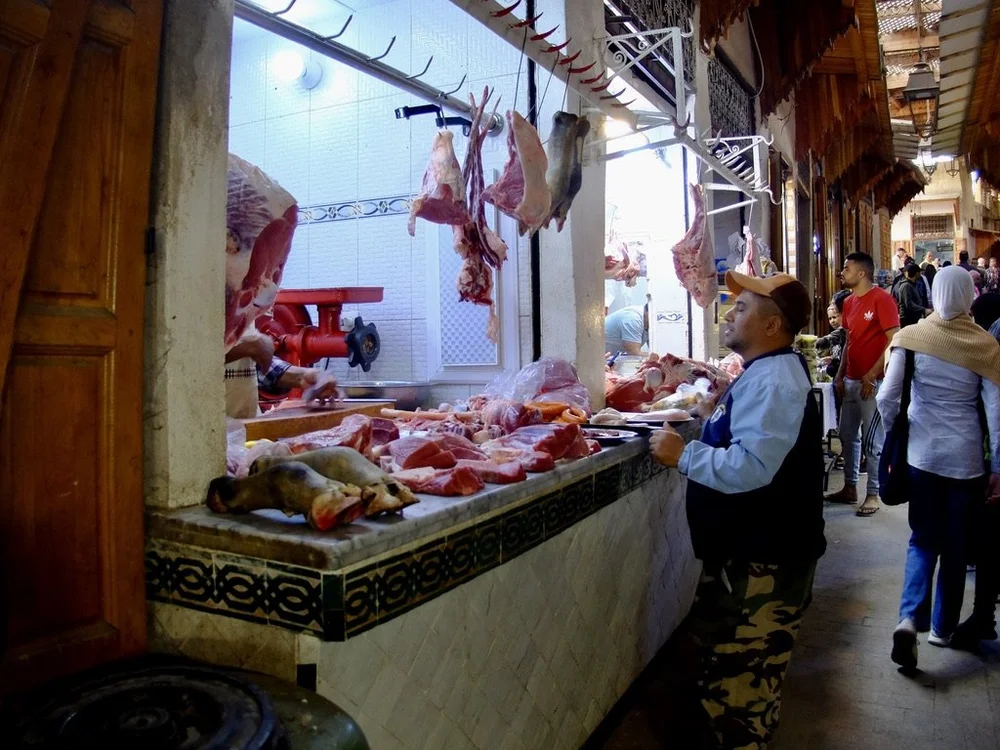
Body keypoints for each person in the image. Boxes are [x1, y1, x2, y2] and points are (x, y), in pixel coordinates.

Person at [649, 271, 825, 750]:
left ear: (773, 326)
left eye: (743, 307)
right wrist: (712, 421)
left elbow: (751, 468)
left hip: (763, 566)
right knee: (742, 682)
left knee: (739, 696)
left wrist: (682, 454)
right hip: (750, 560)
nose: (730, 312)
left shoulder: (775, 381)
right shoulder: (767, 373)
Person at [879, 266, 1000, 668]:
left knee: (921, 539)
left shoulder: (911, 337)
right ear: (969, 296)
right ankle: (941, 629)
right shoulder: (983, 345)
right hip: (965, 462)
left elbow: (887, 396)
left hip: (921, 457)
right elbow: (995, 415)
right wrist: (997, 464)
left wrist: (903, 428)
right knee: (955, 545)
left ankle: (908, 618)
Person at [826, 252, 900, 516]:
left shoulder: (882, 299)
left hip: (874, 382)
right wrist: (840, 375)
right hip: (851, 379)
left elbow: (894, 339)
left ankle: (873, 493)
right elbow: (849, 341)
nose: (842, 272)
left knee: (872, 441)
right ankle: (849, 487)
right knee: (848, 435)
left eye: (847, 268)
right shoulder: (848, 303)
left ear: (861, 273)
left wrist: (872, 374)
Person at [225, 331, 339, 419]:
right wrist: (247, 347)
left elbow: (257, 363)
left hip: (245, 429)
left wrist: (305, 375)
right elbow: (208, 358)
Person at [817, 289, 849, 379]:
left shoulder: (843, 330)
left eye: (835, 317)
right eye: (830, 318)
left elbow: (827, 339)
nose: (832, 321)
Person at [893, 263, 929, 328]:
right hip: (908, 320)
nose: (920, 274)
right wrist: (923, 309)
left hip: (914, 319)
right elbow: (909, 304)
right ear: (916, 273)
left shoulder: (912, 285)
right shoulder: (906, 286)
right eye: (919, 272)